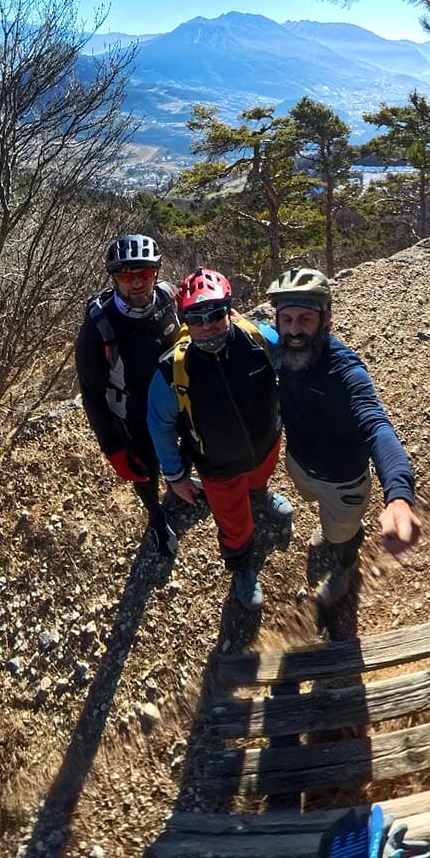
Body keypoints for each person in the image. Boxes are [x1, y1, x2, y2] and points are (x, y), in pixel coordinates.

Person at [261, 267, 421, 603]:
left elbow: (376, 424)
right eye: (286, 319)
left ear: (325, 318)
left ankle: (345, 568)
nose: (294, 331)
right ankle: (334, 532)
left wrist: (399, 496)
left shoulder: (346, 370)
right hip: (301, 464)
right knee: (326, 517)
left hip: (343, 481)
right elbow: (253, 330)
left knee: (343, 533)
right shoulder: (281, 347)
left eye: (305, 319)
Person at [146, 268, 292, 610]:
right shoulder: (174, 370)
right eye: (197, 317)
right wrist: (176, 475)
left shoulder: (259, 339)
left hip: (266, 444)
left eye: (215, 313)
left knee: (259, 479)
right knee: (234, 525)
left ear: (229, 309)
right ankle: (242, 566)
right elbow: (160, 424)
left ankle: (260, 495)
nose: (207, 324)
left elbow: (293, 367)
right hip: (217, 467)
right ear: (185, 319)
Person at [74, 234, 181, 559]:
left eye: (144, 274)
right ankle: (155, 516)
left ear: (156, 273)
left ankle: (180, 484)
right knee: (146, 471)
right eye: (126, 275)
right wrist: (113, 448)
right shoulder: (97, 331)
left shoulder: (167, 299)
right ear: (115, 278)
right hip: (132, 417)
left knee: (183, 449)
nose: (136, 283)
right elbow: (92, 396)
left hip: (175, 402)